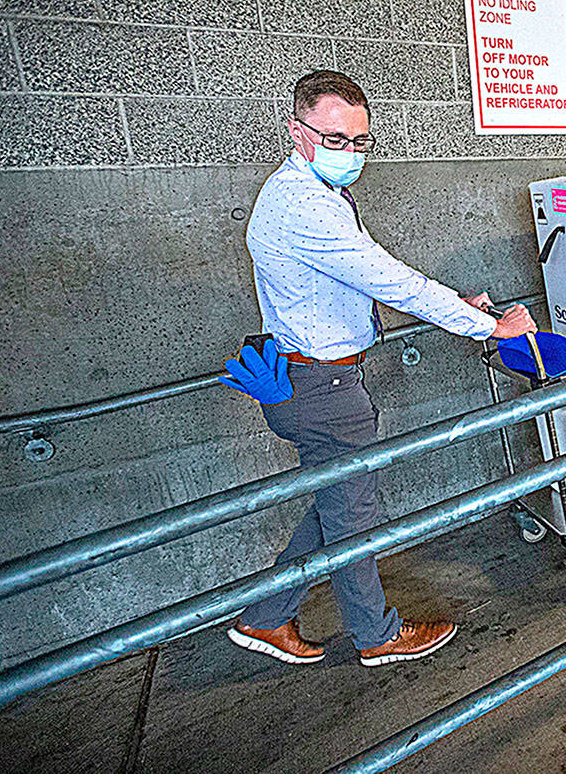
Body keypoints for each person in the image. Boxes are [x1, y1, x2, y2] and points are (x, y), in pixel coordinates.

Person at [227, 70, 537, 667]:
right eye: (335, 138)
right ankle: (376, 635)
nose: (350, 153)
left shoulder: (311, 193)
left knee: (335, 503)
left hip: (309, 377)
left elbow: (357, 281)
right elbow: (389, 279)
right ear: (298, 132)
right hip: (324, 386)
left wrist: (457, 305)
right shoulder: (305, 207)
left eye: (361, 141)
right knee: (354, 517)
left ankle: (265, 617)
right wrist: (489, 326)